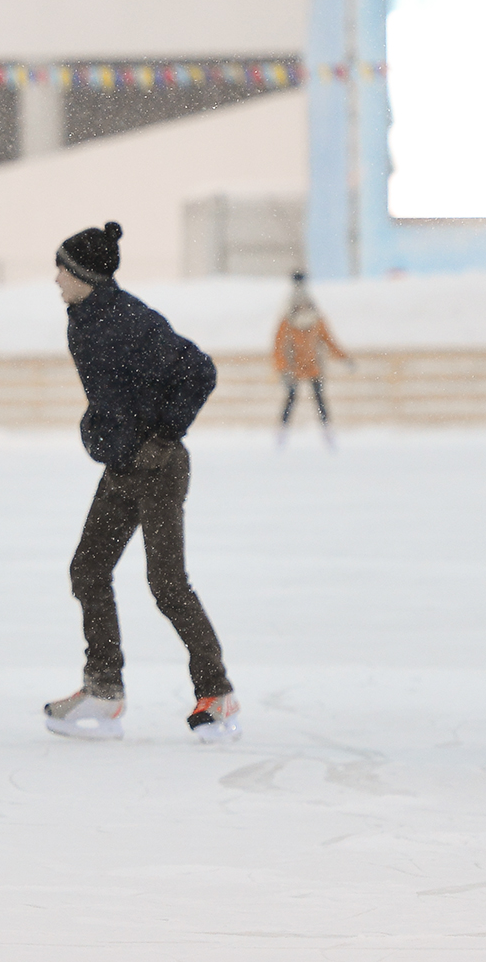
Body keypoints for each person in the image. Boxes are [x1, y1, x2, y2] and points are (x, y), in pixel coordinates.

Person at [43, 221, 241, 745]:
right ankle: (104, 689)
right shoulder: (84, 317)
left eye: (61, 268)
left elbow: (199, 370)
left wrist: (163, 434)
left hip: (157, 469)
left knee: (167, 585)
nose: (55, 277)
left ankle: (216, 694)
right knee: (88, 570)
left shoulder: (129, 320)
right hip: (124, 468)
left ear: (83, 274)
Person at [273, 272, 351, 448]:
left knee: (318, 400)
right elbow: (279, 346)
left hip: (312, 366)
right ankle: (282, 436)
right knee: (293, 400)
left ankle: (327, 434)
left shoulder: (315, 320)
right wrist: (283, 368)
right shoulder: (288, 320)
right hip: (295, 367)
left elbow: (328, 341)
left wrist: (344, 358)